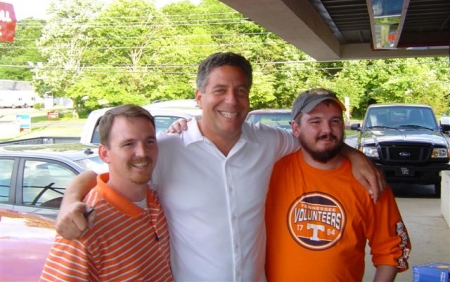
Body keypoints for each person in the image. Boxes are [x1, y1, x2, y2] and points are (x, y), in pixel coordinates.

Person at [55, 52, 384, 281]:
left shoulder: (270, 142)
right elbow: (101, 173)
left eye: (240, 91)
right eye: (220, 90)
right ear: (199, 97)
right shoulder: (165, 148)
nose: (231, 100)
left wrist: (355, 155)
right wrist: (70, 202)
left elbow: (318, 139)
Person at [265, 88, 411, 282]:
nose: (327, 130)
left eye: (335, 121)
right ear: (296, 128)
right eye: (315, 121)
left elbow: (391, 250)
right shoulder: (271, 173)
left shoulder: (368, 180)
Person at [40, 105, 173, 282]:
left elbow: (90, 175)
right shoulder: (83, 227)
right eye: (128, 144)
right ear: (104, 153)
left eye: (149, 141)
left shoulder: (156, 199)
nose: (142, 152)